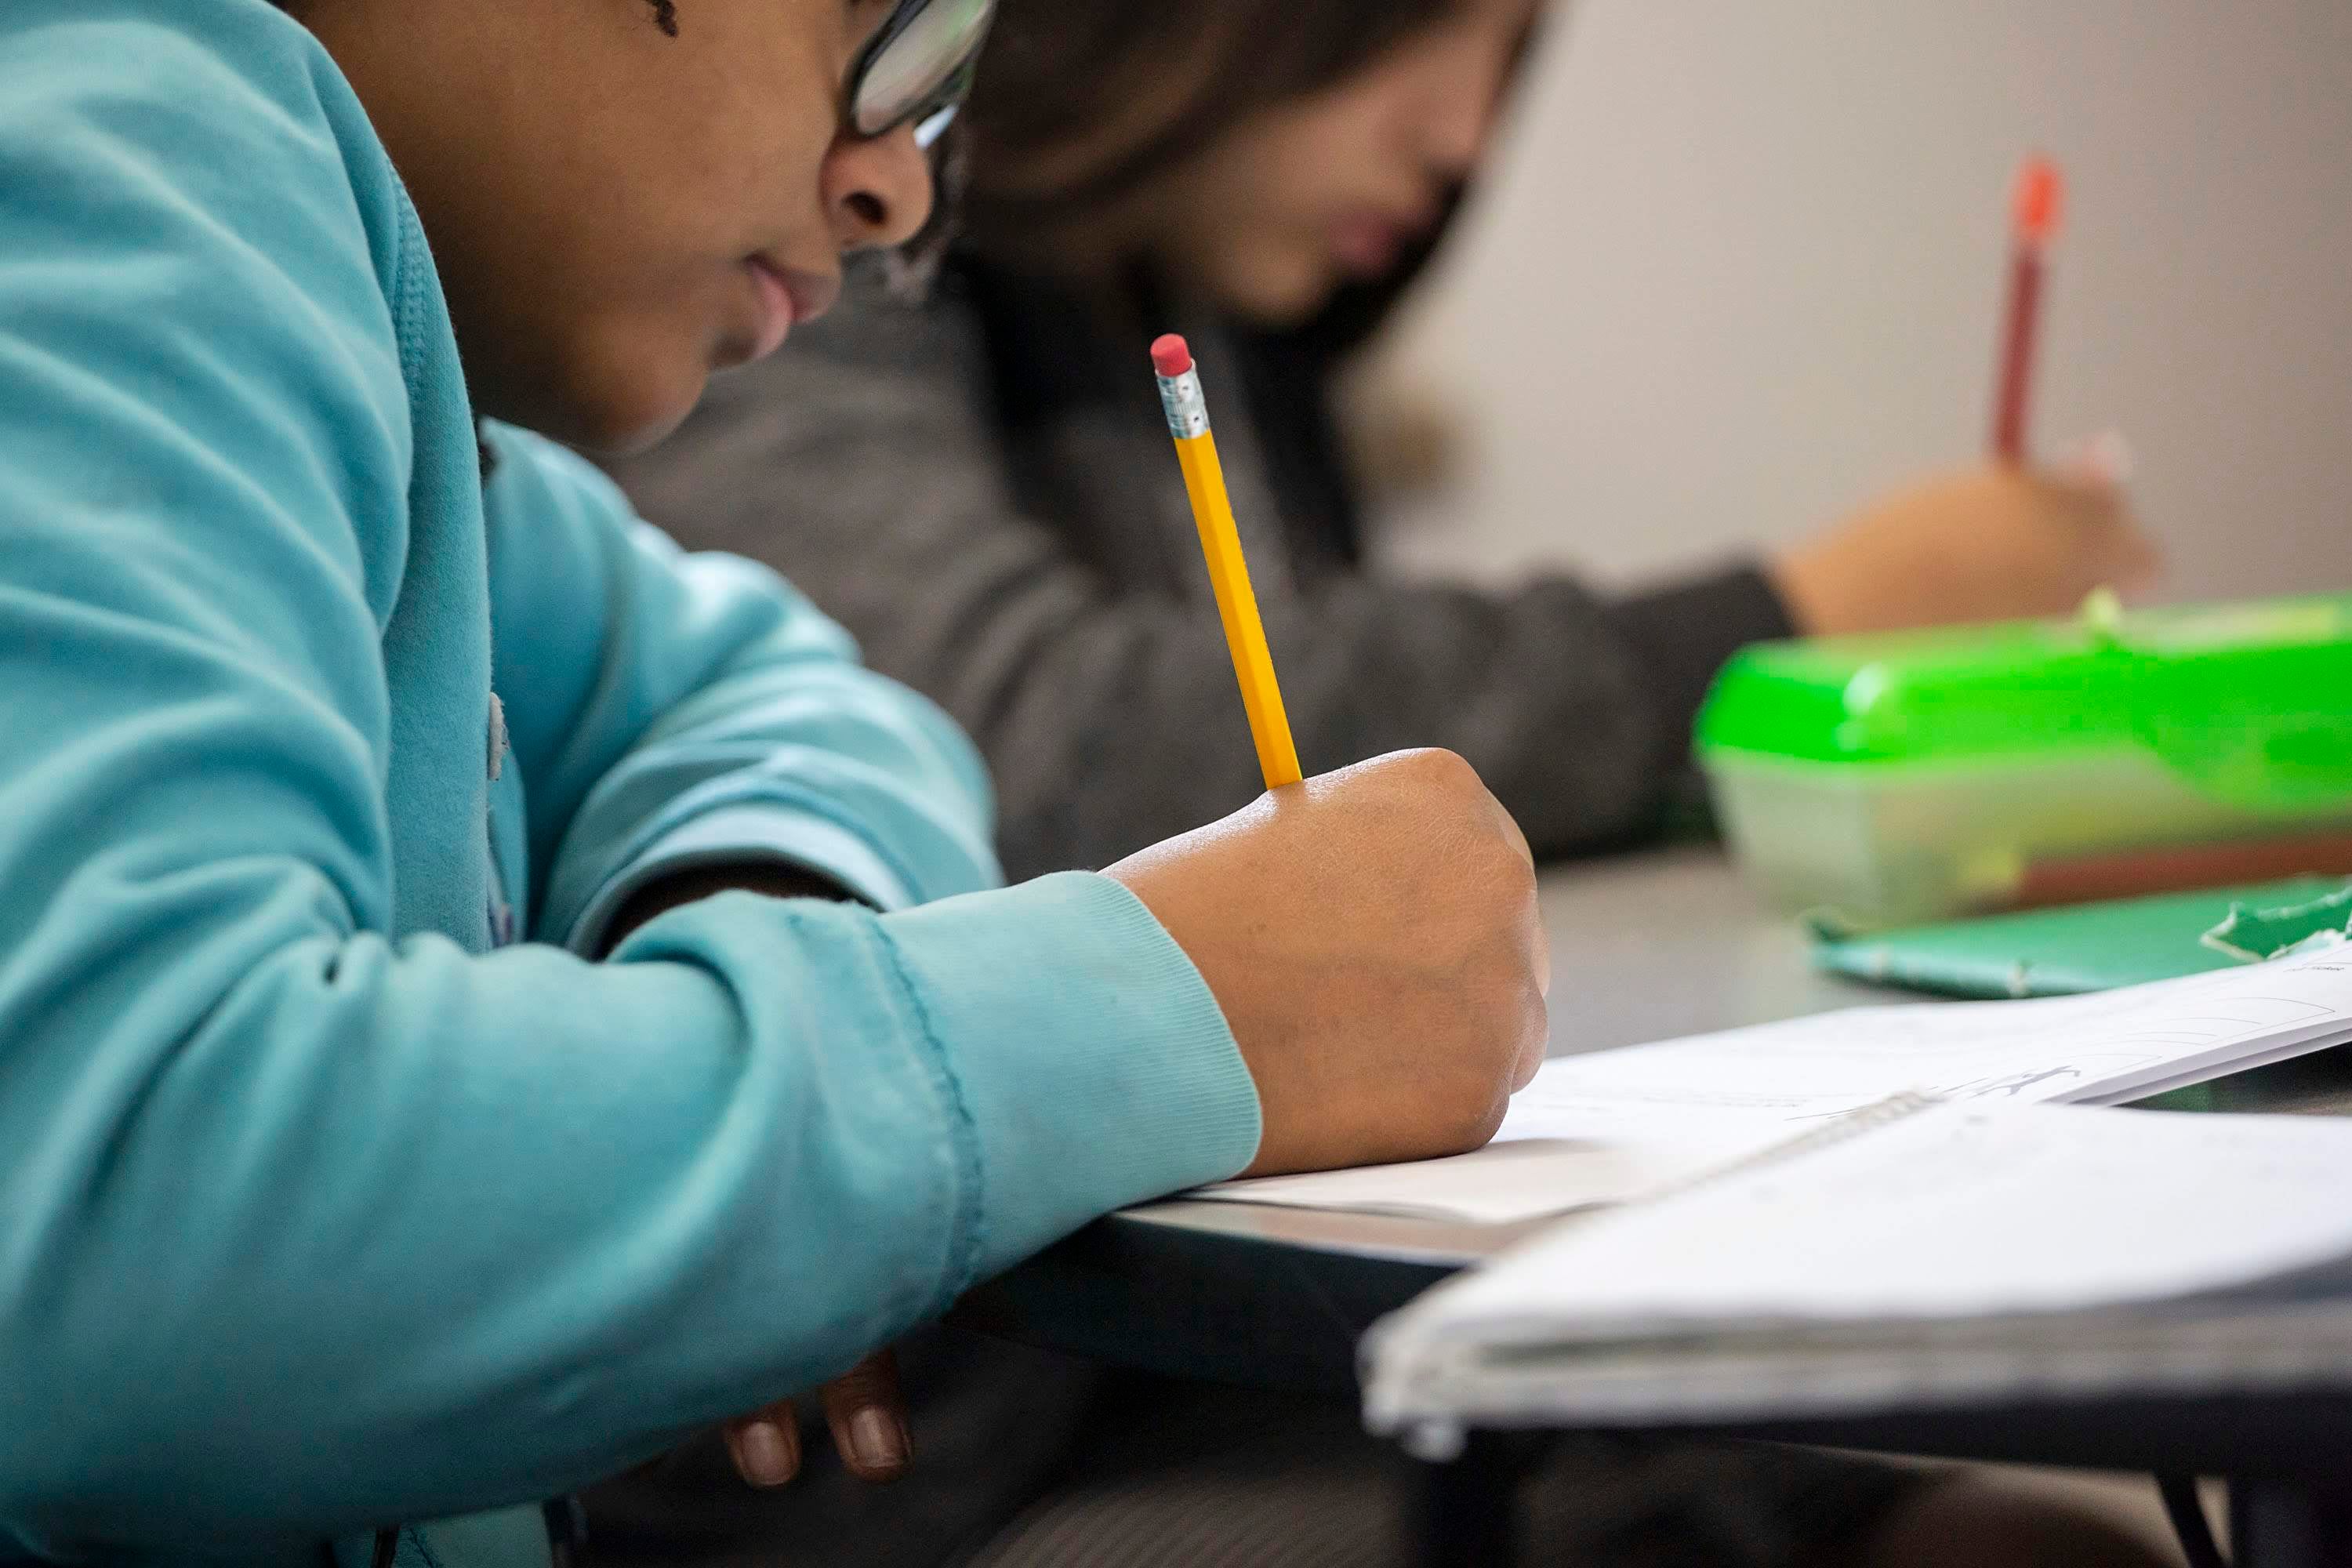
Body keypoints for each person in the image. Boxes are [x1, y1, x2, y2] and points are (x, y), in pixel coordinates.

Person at [0, 1, 1557, 1562]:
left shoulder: (413, 412)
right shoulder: (115, 155)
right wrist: (1167, 1008)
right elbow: (132, 1231)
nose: (899, 189)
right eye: (896, 34)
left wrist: (762, 1015)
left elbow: (790, 690)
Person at [601, 0, 2158, 885]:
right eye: (1441, 30)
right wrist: (1787, 621)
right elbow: (1029, 752)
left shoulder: (1226, 332)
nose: (1465, 138)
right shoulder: (817, 256)